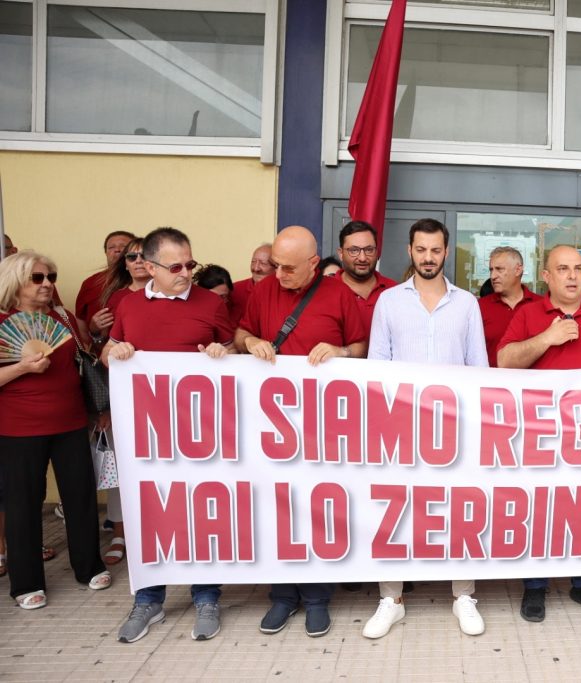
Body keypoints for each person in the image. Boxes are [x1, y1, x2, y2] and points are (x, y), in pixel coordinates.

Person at [102, 227, 234, 643]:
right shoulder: (126, 304)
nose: (186, 274)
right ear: (149, 266)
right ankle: (148, 598)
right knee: (151, 515)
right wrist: (114, 352)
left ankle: (207, 596)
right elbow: (109, 350)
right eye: (175, 266)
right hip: (147, 436)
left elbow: (234, 350)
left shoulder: (211, 303)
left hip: (201, 433)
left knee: (201, 512)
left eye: (190, 264)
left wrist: (222, 353)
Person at [236, 226, 367, 639]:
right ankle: (281, 596)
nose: (278, 274)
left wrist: (341, 351)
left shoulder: (340, 294)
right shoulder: (264, 291)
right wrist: (252, 340)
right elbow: (239, 334)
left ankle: (316, 598)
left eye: (288, 268)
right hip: (271, 426)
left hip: (323, 426)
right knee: (275, 511)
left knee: (314, 511)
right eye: (274, 265)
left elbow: (364, 347)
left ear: (314, 263)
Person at [364, 218, 487, 639]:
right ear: (410, 251)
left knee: (459, 510)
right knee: (396, 511)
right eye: (421, 250)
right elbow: (376, 367)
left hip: (454, 429)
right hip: (402, 427)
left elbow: (479, 370)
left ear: (446, 252)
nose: (428, 258)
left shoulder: (467, 303)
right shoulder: (388, 302)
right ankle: (391, 600)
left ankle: (464, 595)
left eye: (436, 250)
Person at [499, 245, 581, 623]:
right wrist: (548, 337)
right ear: (546, 276)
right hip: (539, 436)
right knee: (540, 510)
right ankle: (535, 587)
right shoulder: (529, 314)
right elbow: (504, 362)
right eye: (563, 269)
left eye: (578, 268)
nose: (573, 276)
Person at [0, 251, 111, 609]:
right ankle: (26, 583)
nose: (47, 284)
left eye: (51, 277)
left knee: (80, 497)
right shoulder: (3, 321)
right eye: (37, 278)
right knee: (23, 506)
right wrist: (22, 368)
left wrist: (96, 410)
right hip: (18, 428)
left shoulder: (62, 318)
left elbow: (86, 359)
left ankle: (88, 566)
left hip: (70, 421)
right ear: (16, 281)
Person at [95, 237, 151, 567]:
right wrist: (103, 337)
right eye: (132, 257)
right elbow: (102, 353)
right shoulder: (117, 299)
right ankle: (120, 532)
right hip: (126, 398)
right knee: (124, 467)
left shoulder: (169, 297)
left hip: (159, 400)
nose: (139, 262)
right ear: (124, 263)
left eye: (146, 256)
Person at [478, 246, 539, 367]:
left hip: (532, 384)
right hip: (491, 383)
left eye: (499, 269)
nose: (493, 276)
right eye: (491, 270)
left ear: (518, 270)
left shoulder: (541, 305)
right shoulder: (479, 307)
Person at [335, 221, 397, 335]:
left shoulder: (395, 291)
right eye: (354, 250)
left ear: (377, 251)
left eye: (369, 250)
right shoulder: (326, 290)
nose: (362, 258)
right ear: (340, 253)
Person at [75, 230, 135, 344]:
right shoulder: (91, 283)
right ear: (106, 253)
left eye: (124, 246)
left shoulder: (150, 282)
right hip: (103, 354)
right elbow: (81, 328)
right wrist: (94, 330)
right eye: (111, 247)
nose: (117, 250)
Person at [229, 243, 274, 325]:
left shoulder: (284, 293)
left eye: (263, 263)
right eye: (253, 262)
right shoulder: (235, 290)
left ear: (277, 267)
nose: (256, 268)